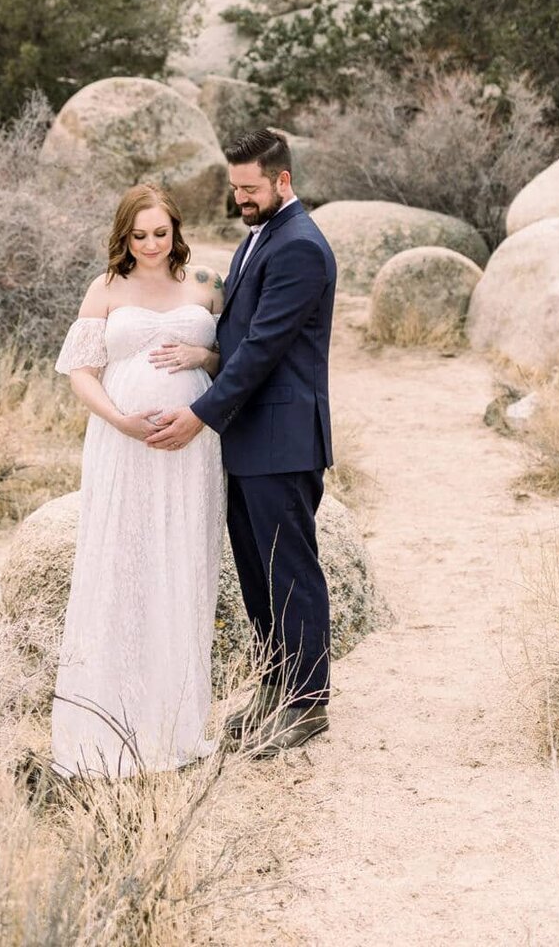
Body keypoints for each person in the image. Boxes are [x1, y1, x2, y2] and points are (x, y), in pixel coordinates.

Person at [146, 128, 337, 758]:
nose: (241, 198)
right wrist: (206, 352)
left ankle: (306, 705)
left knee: (289, 569)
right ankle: (274, 688)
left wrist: (200, 414)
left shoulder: (301, 246)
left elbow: (264, 350)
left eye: (250, 188)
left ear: (282, 180)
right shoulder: (263, 237)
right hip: (252, 437)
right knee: (257, 573)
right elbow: (242, 332)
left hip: (282, 437)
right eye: (234, 188)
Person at [50, 183, 225, 779]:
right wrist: (122, 420)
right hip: (122, 448)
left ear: (176, 229)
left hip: (193, 448)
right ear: (123, 235)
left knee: (181, 564)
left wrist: (201, 360)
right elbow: (81, 371)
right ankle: (107, 721)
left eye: (161, 233)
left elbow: (237, 357)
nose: (151, 245)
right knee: (121, 566)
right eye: (139, 235)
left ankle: (173, 725)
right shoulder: (104, 289)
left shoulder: (205, 285)